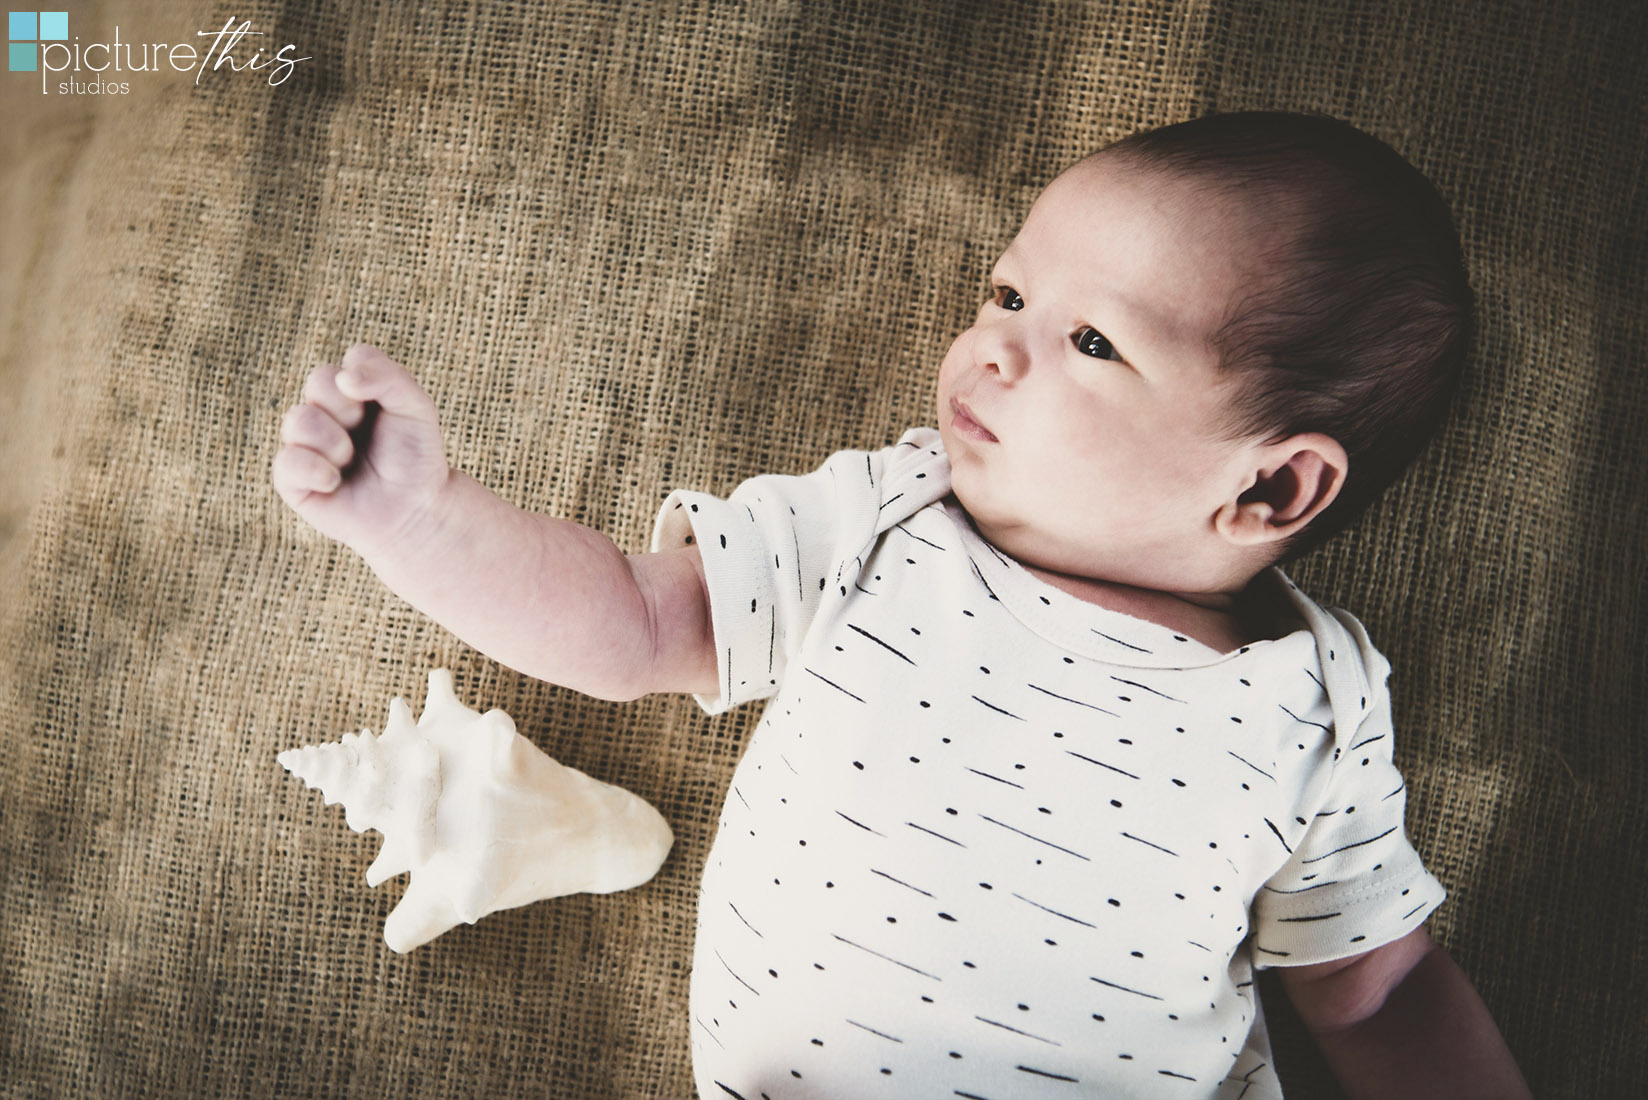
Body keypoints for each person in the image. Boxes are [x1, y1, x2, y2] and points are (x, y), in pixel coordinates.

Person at [272, 112, 1530, 1098]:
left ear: (1270, 484)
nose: (993, 345)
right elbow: (633, 623)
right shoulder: (889, 519)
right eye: (1007, 293)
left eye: (1091, 342)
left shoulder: (1313, 701)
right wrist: (425, 520)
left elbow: (1377, 990)